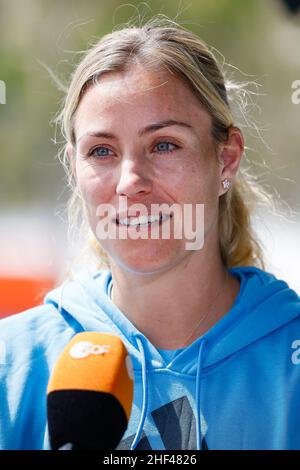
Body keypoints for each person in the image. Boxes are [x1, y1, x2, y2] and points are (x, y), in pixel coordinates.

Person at [1, 16, 300, 451]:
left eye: (164, 145)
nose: (129, 181)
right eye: (101, 151)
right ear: (74, 169)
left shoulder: (288, 359)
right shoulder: (13, 365)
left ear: (227, 159)